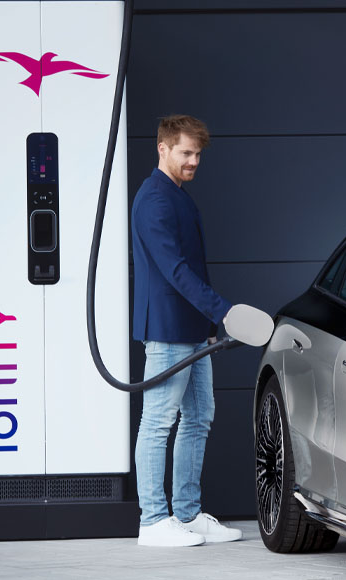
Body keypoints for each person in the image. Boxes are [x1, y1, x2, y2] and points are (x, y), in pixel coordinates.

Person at [130, 114, 242, 547]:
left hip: (194, 328)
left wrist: (210, 323)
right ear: (163, 148)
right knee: (158, 422)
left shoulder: (178, 196)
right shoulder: (154, 200)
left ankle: (188, 514)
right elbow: (174, 271)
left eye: (198, 154)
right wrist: (224, 311)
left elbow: (194, 267)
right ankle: (153, 521)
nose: (194, 161)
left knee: (198, 417)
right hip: (167, 329)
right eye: (186, 152)